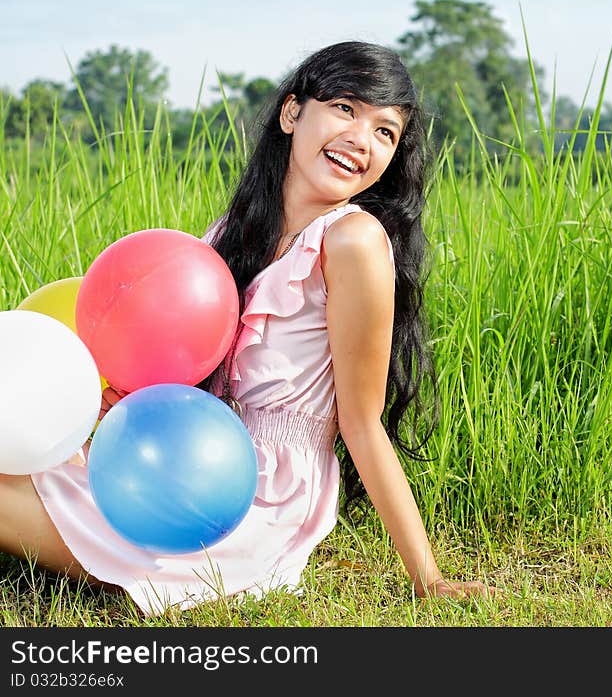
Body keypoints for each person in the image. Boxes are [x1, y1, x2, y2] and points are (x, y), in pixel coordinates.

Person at [0, 41, 493, 615]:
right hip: (177, 453)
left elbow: (362, 424)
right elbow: (181, 368)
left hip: (252, 498)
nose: (362, 138)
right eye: (346, 108)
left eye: (386, 131)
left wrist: (427, 577)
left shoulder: (353, 242)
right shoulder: (232, 232)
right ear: (292, 113)